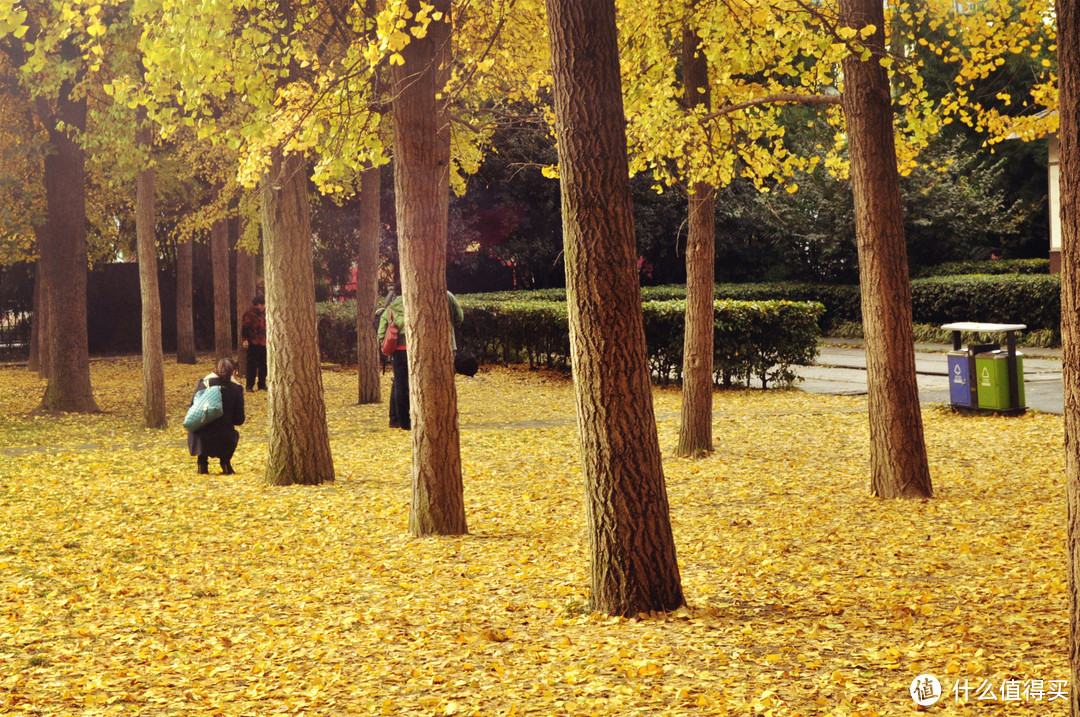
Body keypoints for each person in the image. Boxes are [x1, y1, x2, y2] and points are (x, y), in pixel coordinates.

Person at [378, 287, 464, 430]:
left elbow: (381, 331)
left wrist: (387, 345)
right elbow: (459, 317)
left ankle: (401, 421)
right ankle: (437, 416)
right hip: (425, 348)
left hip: (398, 352)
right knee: (432, 381)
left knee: (400, 385)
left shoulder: (392, 307)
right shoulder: (435, 298)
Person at [187, 358, 246, 474]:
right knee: (229, 432)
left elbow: (192, 407)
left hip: (199, 435)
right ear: (233, 372)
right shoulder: (236, 388)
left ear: (216, 370)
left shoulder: (204, 383)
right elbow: (239, 419)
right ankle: (225, 463)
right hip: (223, 436)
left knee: (204, 429)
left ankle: (202, 464)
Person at [241, 296, 267, 391]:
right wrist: (245, 340)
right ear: (258, 305)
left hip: (263, 342)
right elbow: (245, 328)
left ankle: (262, 385)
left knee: (263, 365)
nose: (264, 306)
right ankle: (249, 386)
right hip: (253, 342)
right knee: (251, 365)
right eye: (263, 305)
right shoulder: (249, 314)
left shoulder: (264, 314)